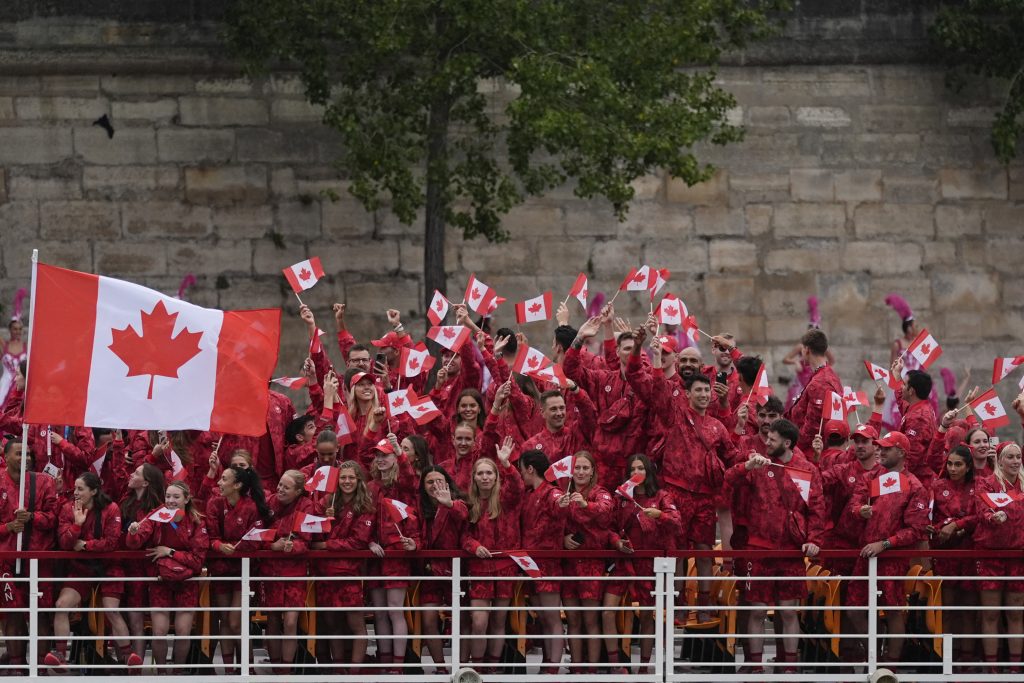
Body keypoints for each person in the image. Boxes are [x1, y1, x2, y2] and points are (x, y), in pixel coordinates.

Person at [627, 329, 736, 620]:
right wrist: (644, 349)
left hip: (704, 497)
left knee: (702, 549)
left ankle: (703, 603)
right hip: (674, 492)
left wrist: (751, 463)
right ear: (687, 393)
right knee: (676, 551)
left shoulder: (717, 426)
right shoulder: (673, 414)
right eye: (696, 390)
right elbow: (648, 382)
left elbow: (733, 458)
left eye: (706, 390)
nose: (702, 393)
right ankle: (676, 604)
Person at [724, 419, 826, 674]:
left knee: (789, 612)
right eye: (766, 438)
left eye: (772, 439)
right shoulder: (758, 465)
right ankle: (755, 666)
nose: (766, 442)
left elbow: (817, 510)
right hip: (758, 550)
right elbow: (727, 481)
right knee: (757, 611)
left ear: (787, 442)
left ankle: (790, 666)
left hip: (791, 552)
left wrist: (814, 540)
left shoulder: (807, 470)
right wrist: (746, 466)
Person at [847, 431, 930, 664]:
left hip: (893, 559)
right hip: (866, 555)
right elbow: (854, 502)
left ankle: (890, 664)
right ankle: (872, 654)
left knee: (893, 611)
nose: (880, 452)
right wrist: (859, 511)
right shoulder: (871, 477)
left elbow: (916, 530)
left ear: (902, 452)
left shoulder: (915, 486)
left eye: (886, 448)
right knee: (853, 610)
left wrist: (884, 544)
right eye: (880, 448)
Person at [49, 472, 140, 671]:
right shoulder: (67, 508)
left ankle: (128, 657)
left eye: (80, 489)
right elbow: (64, 542)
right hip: (81, 569)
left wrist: (85, 545)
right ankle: (60, 656)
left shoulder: (112, 508)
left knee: (111, 610)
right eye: (74, 488)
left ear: (94, 491)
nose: (76, 493)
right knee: (61, 605)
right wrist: (77, 524)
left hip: (110, 567)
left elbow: (111, 543)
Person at [602, 454, 679, 673]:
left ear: (649, 472)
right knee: (607, 612)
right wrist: (617, 542)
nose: (637, 472)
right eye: (633, 469)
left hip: (651, 565)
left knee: (647, 615)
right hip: (624, 562)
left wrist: (659, 515)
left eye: (641, 468)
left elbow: (676, 522)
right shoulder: (621, 498)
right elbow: (609, 528)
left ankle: (644, 668)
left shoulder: (662, 496)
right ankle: (616, 665)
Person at [125, 480, 208, 673]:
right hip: (160, 582)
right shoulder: (156, 516)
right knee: (159, 632)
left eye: (176, 497)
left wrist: (169, 552)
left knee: (183, 633)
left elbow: (198, 561)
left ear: (187, 499)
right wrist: (133, 533)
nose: (170, 501)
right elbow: (134, 544)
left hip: (187, 583)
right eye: (168, 496)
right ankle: (161, 673)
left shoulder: (197, 521)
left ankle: (177, 673)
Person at [205, 465, 273, 673]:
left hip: (244, 571)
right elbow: (209, 536)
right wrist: (218, 546)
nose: (219, 483)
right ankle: (229, 670)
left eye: (224, 479)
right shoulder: (214, 503)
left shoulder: (252, 507)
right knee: (224, 619)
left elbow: (257, 539)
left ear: (237, 485)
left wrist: (235, 548)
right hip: (220, 568)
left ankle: (248, 667)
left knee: (236, 621)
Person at [461, 440, 522, 670]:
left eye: (489, 473)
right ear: (474, 478)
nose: (485, 477)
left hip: (505, 567)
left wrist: (506, 463)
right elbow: (464, 537)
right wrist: (475, 546)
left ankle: (492, 668)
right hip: (479, 568)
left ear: (496, 477)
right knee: (479, 621)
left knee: (498, 621)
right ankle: (476, 667)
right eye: (481, 473)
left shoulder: (507, 499)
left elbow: (517, 485)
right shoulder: (470, 503)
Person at [0, 439, 58, 670]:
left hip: (38, 558)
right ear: (5, 457)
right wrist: (8, 528)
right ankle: (16, 667)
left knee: (41, 614)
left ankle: (41, 667)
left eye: (28, 454)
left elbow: (54, 517)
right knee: (13, 613)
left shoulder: (45, 482)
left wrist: (33, 517)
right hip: (6, 561)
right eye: (19, 453)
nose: (25, 458)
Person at [312, 460, 374, 673]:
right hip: (325, 572)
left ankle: (355, 671)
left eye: (351, 478)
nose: (347, 482)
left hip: (350, 573)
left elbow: (358, 542)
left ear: (359, 480)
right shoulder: (327, 501)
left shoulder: (365, 505)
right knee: (332, 623)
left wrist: (325, 545)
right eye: (343, 478)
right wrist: (323, 519)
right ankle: (339, 669)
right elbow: (310, 528)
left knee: (355, 622)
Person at [366, 435, 419, 673]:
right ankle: (384, 661)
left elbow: (410, 476)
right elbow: (364, 518)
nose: (380, 460)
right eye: (377, 455)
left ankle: (397, 665)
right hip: (375, 556)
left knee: (394, 610)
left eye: (384, 455)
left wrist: (399, 451)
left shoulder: (403, 484)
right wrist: (367, 542)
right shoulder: (371, 487)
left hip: (397, 553)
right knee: (379, 613)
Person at [559, 451, 613, 672]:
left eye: (585, 468)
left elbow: (606, 512)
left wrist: (584, 505)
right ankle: (576, 667)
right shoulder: (564, 494)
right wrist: (562, 538)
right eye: (577, 468)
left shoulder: (601, 493)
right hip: (569, 565)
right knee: (572, 620)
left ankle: (591, 669)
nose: (580, 472)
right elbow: (553, 524)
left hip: (592, 565)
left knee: (591, 620)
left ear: (593, 472)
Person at [974, 441, 1024, 672]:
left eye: (1018, 457)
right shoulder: (987, 483)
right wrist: (993, 518)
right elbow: (982, 511)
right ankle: (992, 668)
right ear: (1000, 460)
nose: (1015, 461)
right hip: (991, 556)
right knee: (991, 614)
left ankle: (1014, 668)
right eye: (1010, 457)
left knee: (1015, 615)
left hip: (1018, 557)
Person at [519, 449, 569, 675]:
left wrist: (563, 503)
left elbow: (560, 503)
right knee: (542, 616)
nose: (520, 474)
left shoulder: (551, 493)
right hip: (530, 565)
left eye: (521, 470)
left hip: (548, 564)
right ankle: (548, 662)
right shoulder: (529, 494)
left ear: (530, 469)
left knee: (551, 616)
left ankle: (552, 667)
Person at [259, 469, 314, 673]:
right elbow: (257, 534)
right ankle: (275, 668)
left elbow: (307, 540)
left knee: (290, 621)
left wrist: (293, 547)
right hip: (271, 570)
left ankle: (286, 669)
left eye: (286, 487)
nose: (280, 489)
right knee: (272, 619)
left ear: (299, 491)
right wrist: (272, 546)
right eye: (280, 484)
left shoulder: (307, 506)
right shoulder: (269, 502)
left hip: (294, 571)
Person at [929, 445, 979, 668]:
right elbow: (929, 519)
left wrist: (959, 526)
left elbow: (980, 515)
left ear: (968, 467)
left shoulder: (979, 486)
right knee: (948, 608)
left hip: (970, 552)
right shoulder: (937, 486)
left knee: (968, 609)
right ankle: (947, 658)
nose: (953, 468)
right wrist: (943, 527)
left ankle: (967, 658)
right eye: (950, 463)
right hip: (946, 553)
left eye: (958, 464)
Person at [418, 465, 468, 673]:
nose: (435, 485)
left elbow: (465, 517)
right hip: (429, 572)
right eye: (429, 482)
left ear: (447, 482)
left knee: (463, 618)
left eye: (439, 481)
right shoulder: (419, 507)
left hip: (456, 571)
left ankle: (462, 666)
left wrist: (449, 504)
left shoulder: (458, 503)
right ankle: (440, 667)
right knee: (428, 618)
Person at [118, 463, 166, 664]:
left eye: (136, 473)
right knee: (134, 620)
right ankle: (135, 665)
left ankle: (156, 667)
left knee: (154, 623)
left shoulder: (158, 510)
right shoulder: (126, 503)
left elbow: (141, 542)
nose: (131, 474)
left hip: (151, 569)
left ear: (146, 482)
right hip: (130, 569)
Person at [785, 328, 842, 454]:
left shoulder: (820, 382)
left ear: (807, 350)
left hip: (810, 454)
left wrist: (792, 449)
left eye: (802, 349)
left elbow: (813, 428)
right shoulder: (826, 374)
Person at [0, 290, 26, 408]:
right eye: (15, 329)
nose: (18, 331)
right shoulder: (3, 346)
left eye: (20, 329)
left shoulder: (26, 346)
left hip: (21, 385)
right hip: (5, 386)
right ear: (10, 329)